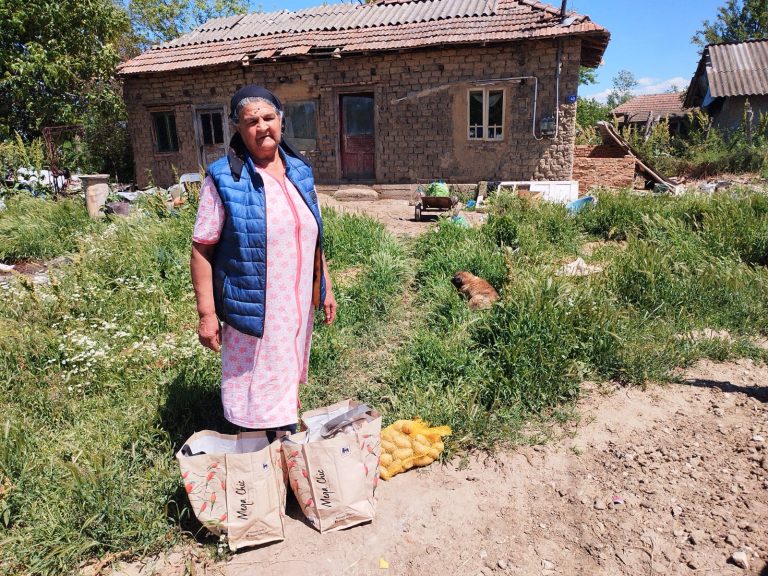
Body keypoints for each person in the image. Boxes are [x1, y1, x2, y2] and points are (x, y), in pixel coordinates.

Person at [190, 85, 337, 438]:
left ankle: (281, 436)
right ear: (238, 128)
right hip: (253, 303)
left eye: (268, 118)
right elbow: (202, 249)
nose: (262, 127)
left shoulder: (299, 170)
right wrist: (207, 314)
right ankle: (254, 447)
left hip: (294, 301)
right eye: (251, 121)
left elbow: (313, 235)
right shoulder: (223, 178)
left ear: (281, 120)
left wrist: (325, 287)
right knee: (253, 380)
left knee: (284, 370)